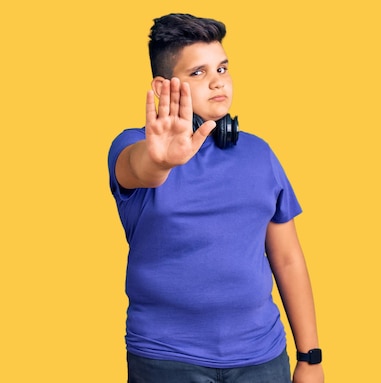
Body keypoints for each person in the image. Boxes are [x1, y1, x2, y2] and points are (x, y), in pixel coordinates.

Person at [107, 13, 324, 383]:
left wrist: (310, 357)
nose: (217, 82)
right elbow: (139, 168)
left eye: (221, 69)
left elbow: (287, 259)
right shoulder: (132, 147)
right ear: (164, 87)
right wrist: (161, 160)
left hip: (261, 357)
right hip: (166, 359)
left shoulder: (260, 154)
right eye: (198, 73)